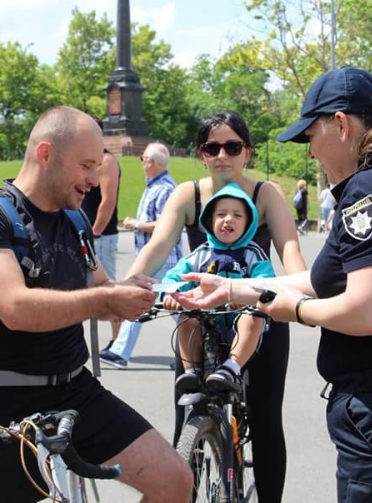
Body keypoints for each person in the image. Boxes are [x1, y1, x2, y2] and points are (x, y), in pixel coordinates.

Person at [175, 68, 372, 502]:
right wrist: (233, 289)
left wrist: (297, 312)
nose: (310, 155)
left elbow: (370, 311)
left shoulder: (370, 191)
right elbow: (321, 280)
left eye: (310, 137)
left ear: (341, 125)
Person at [0, 106, 191, 502]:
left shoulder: (75, 220)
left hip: (76, 393)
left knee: (173, 480)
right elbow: (16, 308)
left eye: (97, 167)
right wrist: (107, 296)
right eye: (85, 166)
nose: (94, 181)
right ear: (45, 154)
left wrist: (142, 296)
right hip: (6, 405)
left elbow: (99, 292)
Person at [121, 111, 307, 502]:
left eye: (232, 146)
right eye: (212, 147)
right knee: (185, 413)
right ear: (202, 154)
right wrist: (129, 286)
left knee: (264, 418)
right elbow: (159, 246)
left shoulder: (265, 193)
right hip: (201, 313)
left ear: (247, 153)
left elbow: (290, 248)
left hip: (257, 311)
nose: (222, 154)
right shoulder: (188, 194)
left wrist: (300, 291)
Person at [161, 183, 275, 395]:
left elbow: (266, 282)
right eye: (221, 214)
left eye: (237, 215)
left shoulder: (253, 254)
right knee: (187, 317)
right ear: (209, 221)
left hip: (241, 326)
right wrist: (170, 294)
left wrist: (246, 295)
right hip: (207, 323)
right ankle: (192, 372)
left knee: (251, 316)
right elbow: (176, 276)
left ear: (249, 223)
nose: (228, 219)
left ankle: (231, 368)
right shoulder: (201, 254)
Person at [100, 142, 184, 369]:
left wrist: (136, 224)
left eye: (144, 159)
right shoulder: (156, 186)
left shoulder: (165, 189)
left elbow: (166, 225)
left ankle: (120, 351)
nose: (142, 164)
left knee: (150, 301)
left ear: (152, 162)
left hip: (163, 259)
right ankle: (194, 352)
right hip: (156, 258)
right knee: (173, 307)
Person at [81, 117, 122, 346]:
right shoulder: (89, 160)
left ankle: (117, 342)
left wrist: (94, 232)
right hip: (90, 235)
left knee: (108, 287)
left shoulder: (106, 161)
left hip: (102, 236)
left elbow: (107, 202)